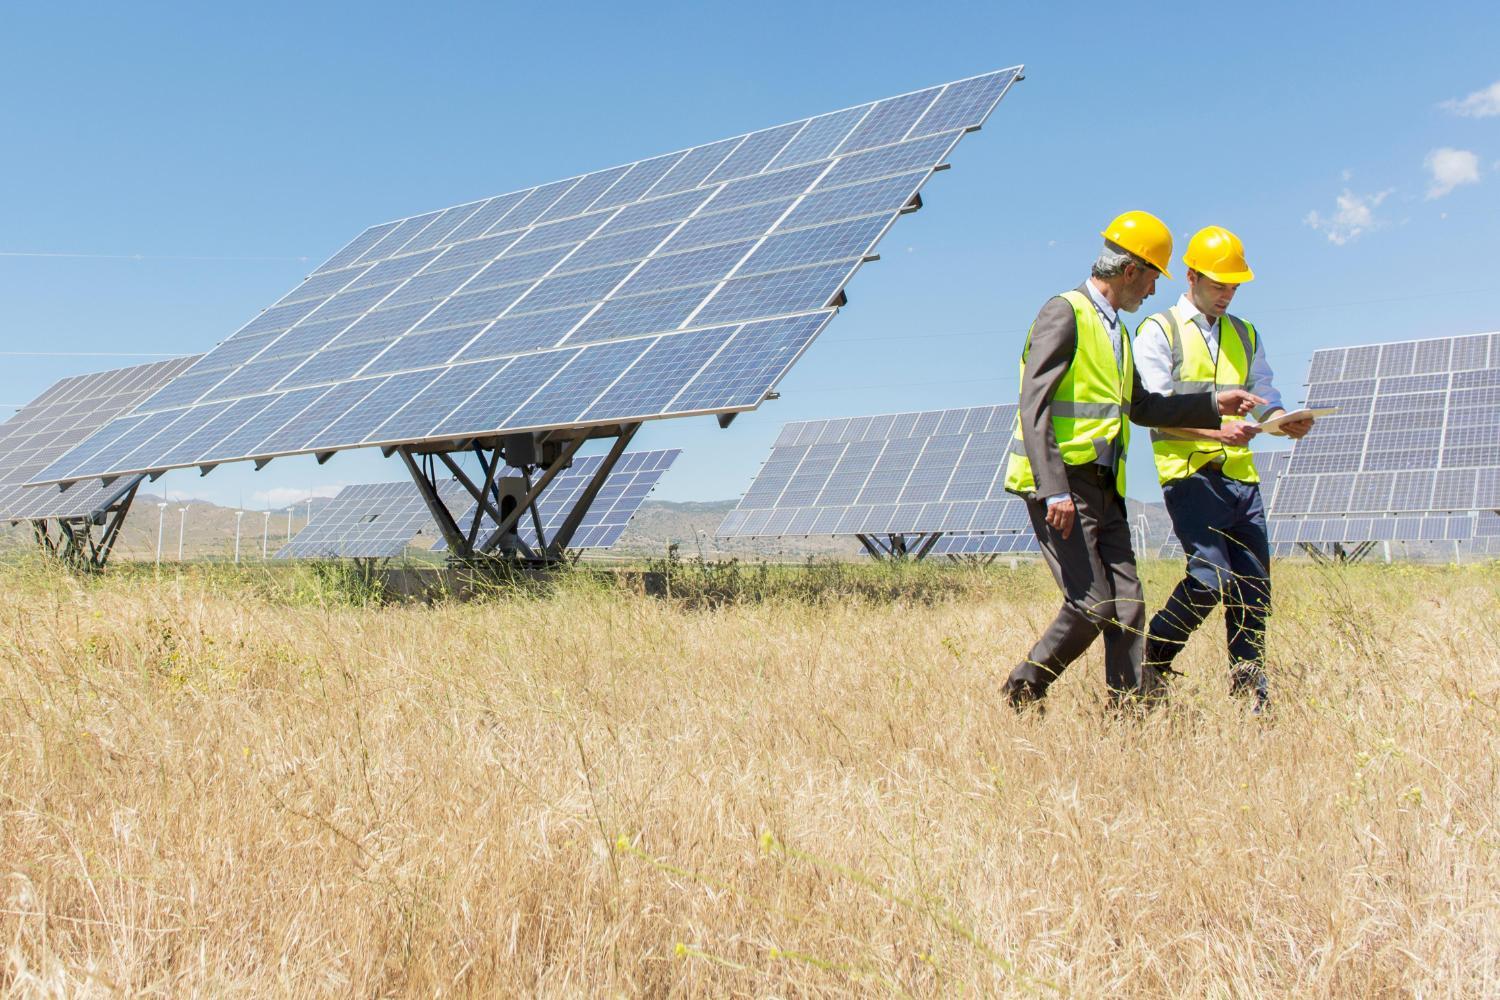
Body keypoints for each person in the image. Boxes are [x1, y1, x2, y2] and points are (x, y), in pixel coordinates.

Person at [1002, 212, 1265, 710]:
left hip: (1105, 487)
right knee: (1092, 605)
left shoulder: (1116, 332)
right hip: (1063, 484)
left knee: (1128, 606)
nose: (1151, 291)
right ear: (1130, 272)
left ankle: (1129, 719)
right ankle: (1024, 686)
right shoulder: (1065, 312)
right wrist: (1053, 487)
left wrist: (1213, 403)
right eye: (1151, 278)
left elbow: (1143, 407)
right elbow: (1032, 405)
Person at [1134, 226, 1311, 713]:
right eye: (1219, 285)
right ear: (1190, 277)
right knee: (1211, 575)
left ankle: (1250, 697)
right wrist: (1216, 433)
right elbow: (1154, 408)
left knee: (1254, 588)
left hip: (1242, 476)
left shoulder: (1245, 333)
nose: (1227, 295)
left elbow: (1265, 395)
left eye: (1234, 286)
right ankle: (1152, 658)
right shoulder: (1159, 330)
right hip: (1189, 472)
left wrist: (1282, 421)